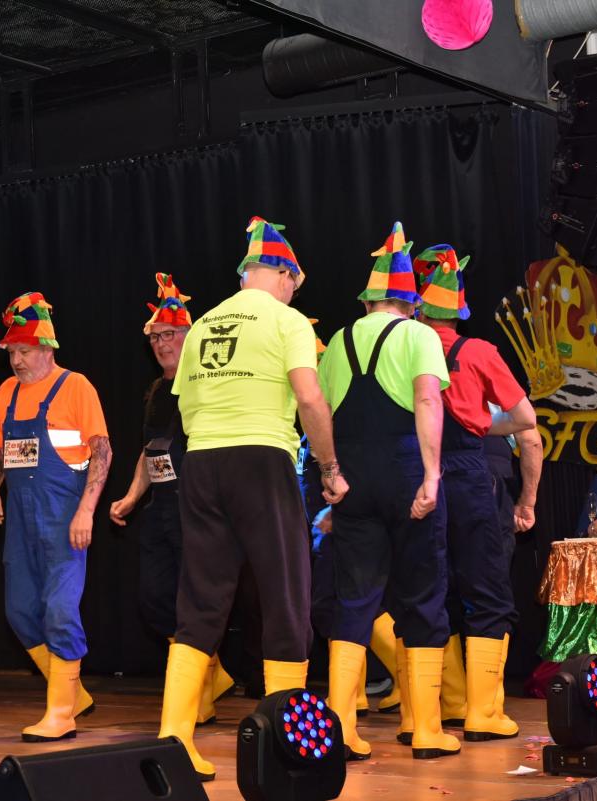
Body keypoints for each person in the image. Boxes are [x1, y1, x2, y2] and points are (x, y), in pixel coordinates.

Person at [157, 217, 346, 782]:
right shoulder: (287, 320)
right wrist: (329, 466)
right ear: (284, 275)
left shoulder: (202, 325)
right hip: (261, 458)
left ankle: (174, 740)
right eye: (295, 283)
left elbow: (184, 406)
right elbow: (309, 399)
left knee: (200, 599)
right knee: (286, 592)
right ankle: (285, 741)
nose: (294, 293)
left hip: (202, 461)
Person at [317, 222, 455, 761]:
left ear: (368, 300)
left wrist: (331, 472)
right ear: (411, 303)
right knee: (422, 594)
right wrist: (432, 475)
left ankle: (340, 729)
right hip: (404, 469)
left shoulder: (338, 341)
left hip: (353, 475)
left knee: (354, 597)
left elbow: (320, 413)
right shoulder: (420, 336)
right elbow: (428, 401)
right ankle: (425, 730)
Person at [413, 244, 537, 742]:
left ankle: (437, 708)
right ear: (459, 310)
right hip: (467, 473)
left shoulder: (406, 350)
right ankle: (483, 713)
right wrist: (483, 423)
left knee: (430, 589)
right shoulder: (479, 352)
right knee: (486, 590)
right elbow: (526, 420)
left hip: (417, 473)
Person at [0, 291, 111, 743]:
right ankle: (75, 694)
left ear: (47, 349)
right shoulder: (6, 393)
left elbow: (102, 452)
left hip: (63, 517)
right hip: (21, 518)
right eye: (11, 353)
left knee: (60, 609)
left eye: (24, 351)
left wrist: (86, 511)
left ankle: (61, 714)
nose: (16, 361)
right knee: (20, 611)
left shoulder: (76, 387)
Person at [109, 273, 235, 723]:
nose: (162, 344)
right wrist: (130, 496)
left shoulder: (204, 384)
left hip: (196, 507)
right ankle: (212, 671)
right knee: (154, 597)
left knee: (193, 599)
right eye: (156, 337)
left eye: (170, 335)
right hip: (160, 508)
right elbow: (151, 451)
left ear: (190, 337)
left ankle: (199, 694)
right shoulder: (157, 391)